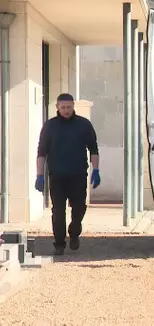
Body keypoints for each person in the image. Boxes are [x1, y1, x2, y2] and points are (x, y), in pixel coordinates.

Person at [35, 93, 101, 256]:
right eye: (63, 107)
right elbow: (41, 152)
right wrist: (39, 175)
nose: (66, 110)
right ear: (57, 107)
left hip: (78, 175)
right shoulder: (50, 126)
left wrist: (96, 170)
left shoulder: (84, 125)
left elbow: (93, 149)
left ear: (73, 107)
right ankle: (59, 244)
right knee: (58, 211)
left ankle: (74, 231)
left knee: (79, 208)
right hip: (57, 176)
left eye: (69, 107)